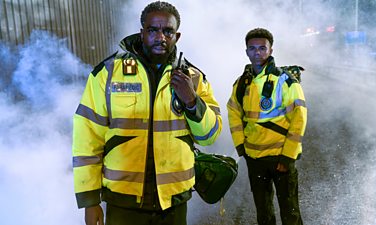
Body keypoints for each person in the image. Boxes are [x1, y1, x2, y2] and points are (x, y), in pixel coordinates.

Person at [72, 1, 222, 225]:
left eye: (168, 31)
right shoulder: (108, 74)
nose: (160, 37)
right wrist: (90, 200)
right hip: (123, 201)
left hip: (173, 201)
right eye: (153, 30)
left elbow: (210, 136)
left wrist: (192, 101)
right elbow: (87, 138)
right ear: (142, 33)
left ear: (177, 36)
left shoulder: (194, 78)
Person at [227, 28, 307, 225]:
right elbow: (234, 114)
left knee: (290, 211)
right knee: (263, 212)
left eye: (262, 48)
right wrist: (241, 148)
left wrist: (288, 156)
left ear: (271, 51)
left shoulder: (286, 81)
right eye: (252, 48)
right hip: (255, 159)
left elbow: (299, 119)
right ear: (246, 51)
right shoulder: (241, 84)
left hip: (281, 157)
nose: (257, 52)